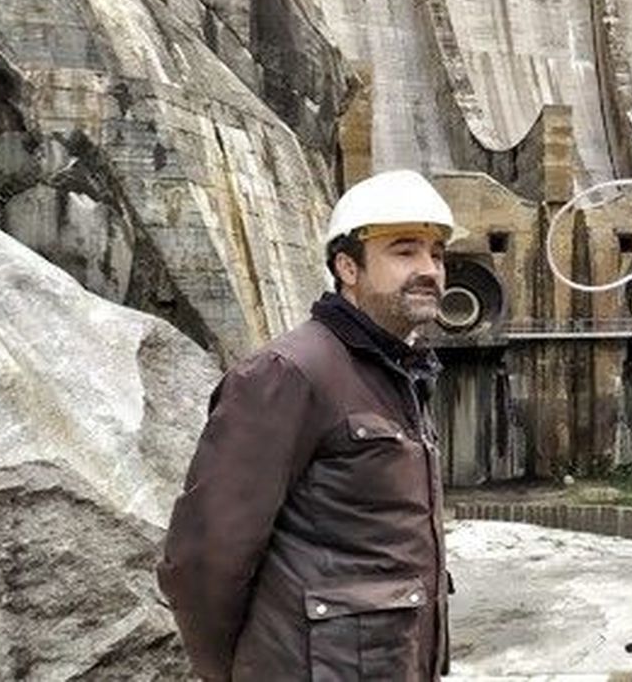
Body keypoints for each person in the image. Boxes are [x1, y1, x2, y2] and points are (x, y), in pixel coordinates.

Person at [158, 169, 460, 681]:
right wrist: (227, 673)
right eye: (405, 251)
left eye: (437, 253)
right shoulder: (289, 373)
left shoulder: (402, 373)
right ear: (348, 266)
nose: (429, 269)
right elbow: (203, 559)